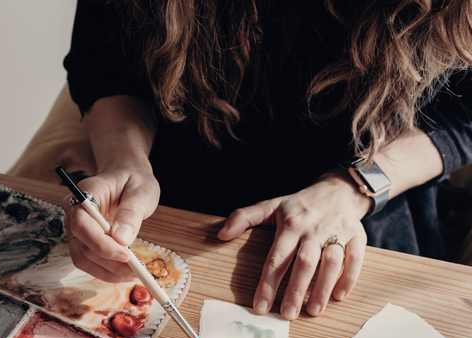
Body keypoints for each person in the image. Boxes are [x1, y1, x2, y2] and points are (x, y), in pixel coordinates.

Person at [60, 0, 472, 320]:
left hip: (360, 214)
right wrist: (126, 161)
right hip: (176, 206)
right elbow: (104, 63)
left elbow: (464, 114)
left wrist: (352, 189)